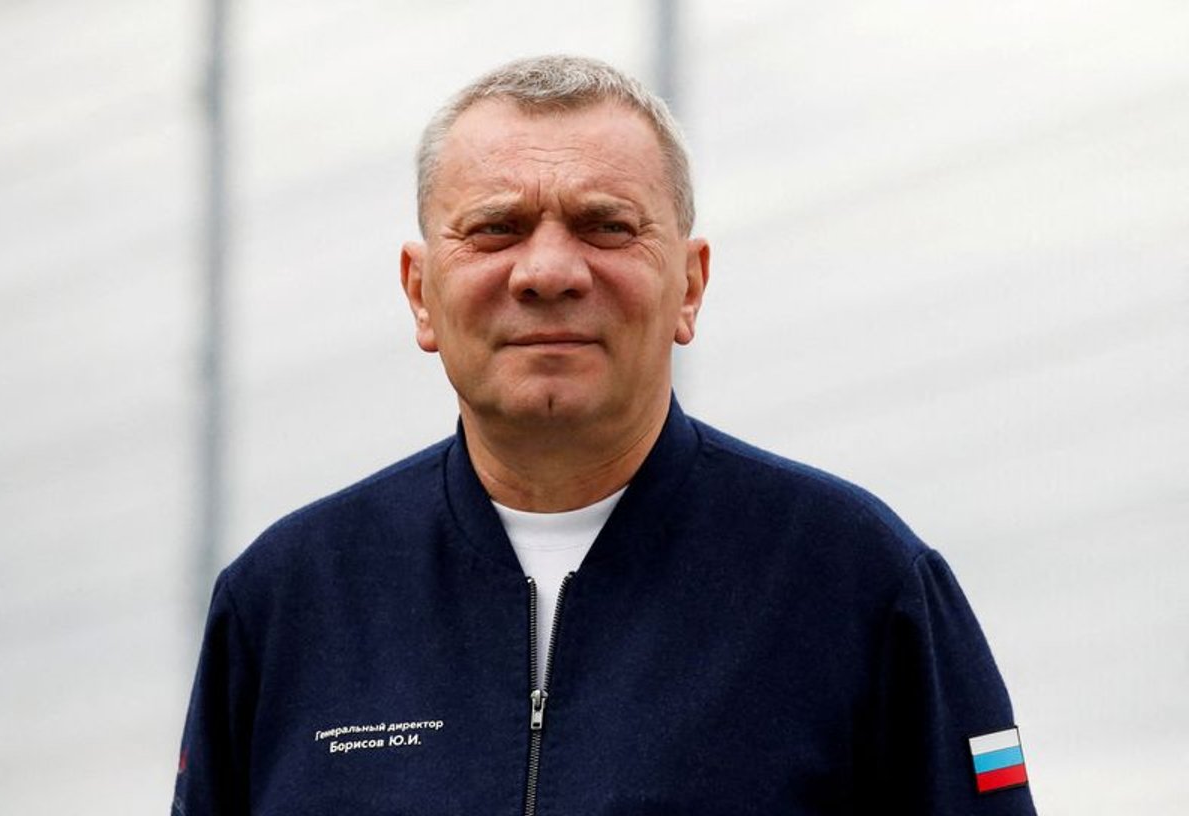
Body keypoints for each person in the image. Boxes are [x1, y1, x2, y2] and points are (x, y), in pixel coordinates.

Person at [173, 55, 1037, 815]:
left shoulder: (858, 583)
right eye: (495, 228)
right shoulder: (286, 602)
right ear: (419, 293)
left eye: (607, 226)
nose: (548, 271)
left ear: (689, 286)